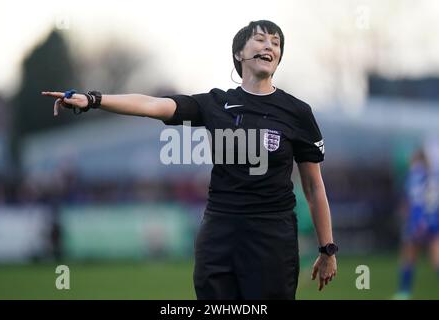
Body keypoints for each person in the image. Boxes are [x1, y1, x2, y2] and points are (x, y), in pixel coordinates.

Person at [42, 20, 337, 300]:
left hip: (273, 237)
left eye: (276, 42)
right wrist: (93, 99)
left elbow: (313, 188)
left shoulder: (297, 112)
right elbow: (150, 105)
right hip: (221, 234)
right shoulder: (215, 103)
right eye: (260, 39)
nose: (269, 46)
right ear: (239, 52)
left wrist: (327, 249)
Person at [394, 149, 439, 299]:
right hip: (433, 222)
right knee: (435, 259)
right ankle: (404, 292)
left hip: (417, 222)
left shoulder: (415, 175)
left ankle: (404, 292)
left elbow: (412, 202)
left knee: (408, 257)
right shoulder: (432, 176)